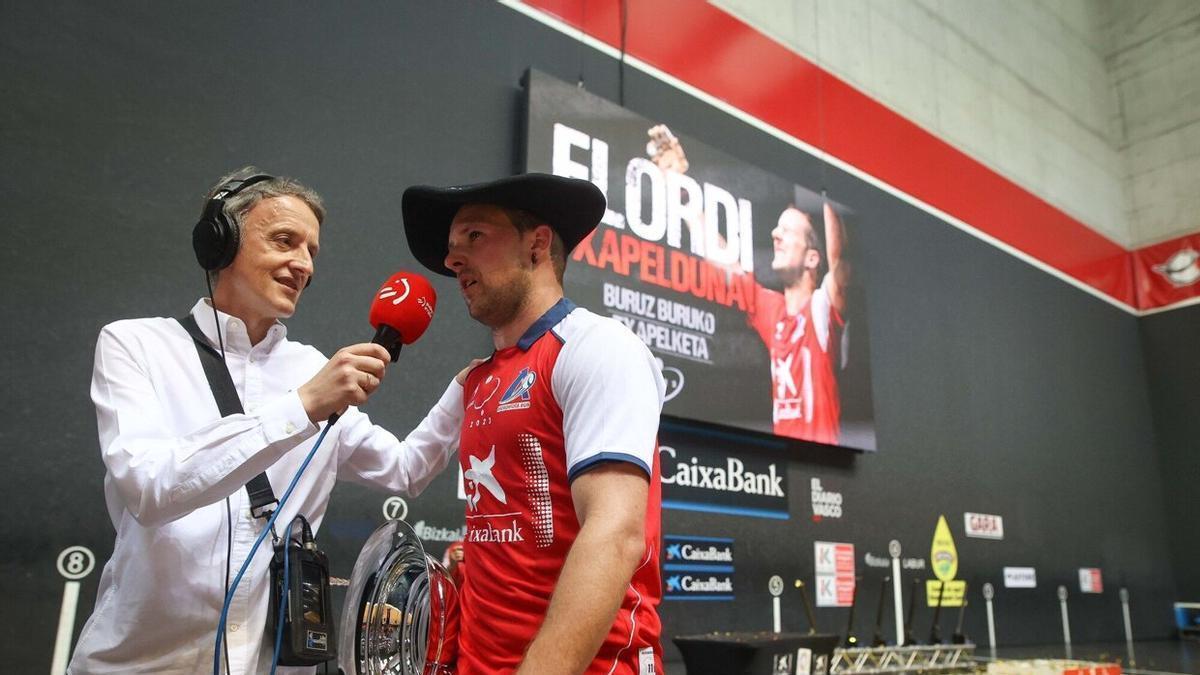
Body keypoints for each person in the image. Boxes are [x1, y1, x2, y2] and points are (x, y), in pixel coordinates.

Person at [71, 167, 467, 674]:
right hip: (136, 664)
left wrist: (467, 387)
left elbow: (406, 470)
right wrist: (300, 406)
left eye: (312, 252)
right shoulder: (136, 345)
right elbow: (149, 488)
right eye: (284, 240)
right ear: (221, 241)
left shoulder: (311, 369)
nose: (303, 264)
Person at [402, 173, 666, 675]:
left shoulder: (598, 347)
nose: (453, 259)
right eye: (452, 248)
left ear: (537, 245)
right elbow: (403, 469)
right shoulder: (475, 381)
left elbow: (614, 534)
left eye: (474, 237)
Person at [648, 125, 849, 445]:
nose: (775, 235)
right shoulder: (773, 311)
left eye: (788, 231)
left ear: (812, 259)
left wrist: (826, 176)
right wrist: (677, 183)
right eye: (777, 228)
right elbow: (722, 257)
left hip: (824, 460)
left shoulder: (821, 311)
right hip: (787, 460)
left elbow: (840, 262)